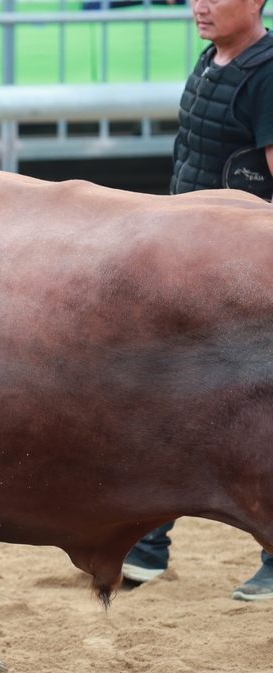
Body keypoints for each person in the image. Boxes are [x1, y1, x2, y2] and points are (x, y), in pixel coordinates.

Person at [123, 0, 273, 598]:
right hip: (191, 263)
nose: (200, 4)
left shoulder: (268, 72)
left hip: (243, 276)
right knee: (169, 394)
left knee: (255, 413)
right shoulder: (213, 59)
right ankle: (149, 543)